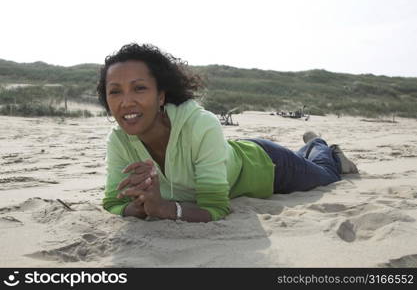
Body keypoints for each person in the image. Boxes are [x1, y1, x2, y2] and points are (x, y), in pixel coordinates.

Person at [97, 43, 358, 223]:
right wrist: (140, 206)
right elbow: (112, 203)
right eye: (115, 91)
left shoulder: (200, 124)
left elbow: (217, 208)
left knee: (329, 174)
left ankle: (322, 146)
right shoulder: (119, 140)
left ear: (161, 95)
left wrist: (165, 208)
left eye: (139, 88)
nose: (126, 101)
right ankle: (310, 148)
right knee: (312, 165)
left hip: (267, 166)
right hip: (227, 156)